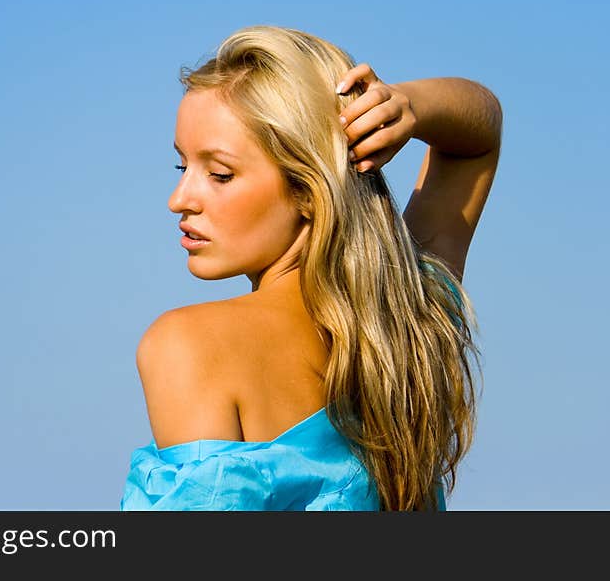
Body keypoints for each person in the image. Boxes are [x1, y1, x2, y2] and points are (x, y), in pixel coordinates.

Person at [120, 25, 501, 511]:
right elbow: (478, 136)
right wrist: (408, 105)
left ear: (308, 187)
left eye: (219, 174)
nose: (180, 199)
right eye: (182, 167)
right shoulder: (413, 325)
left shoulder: (190, 346)